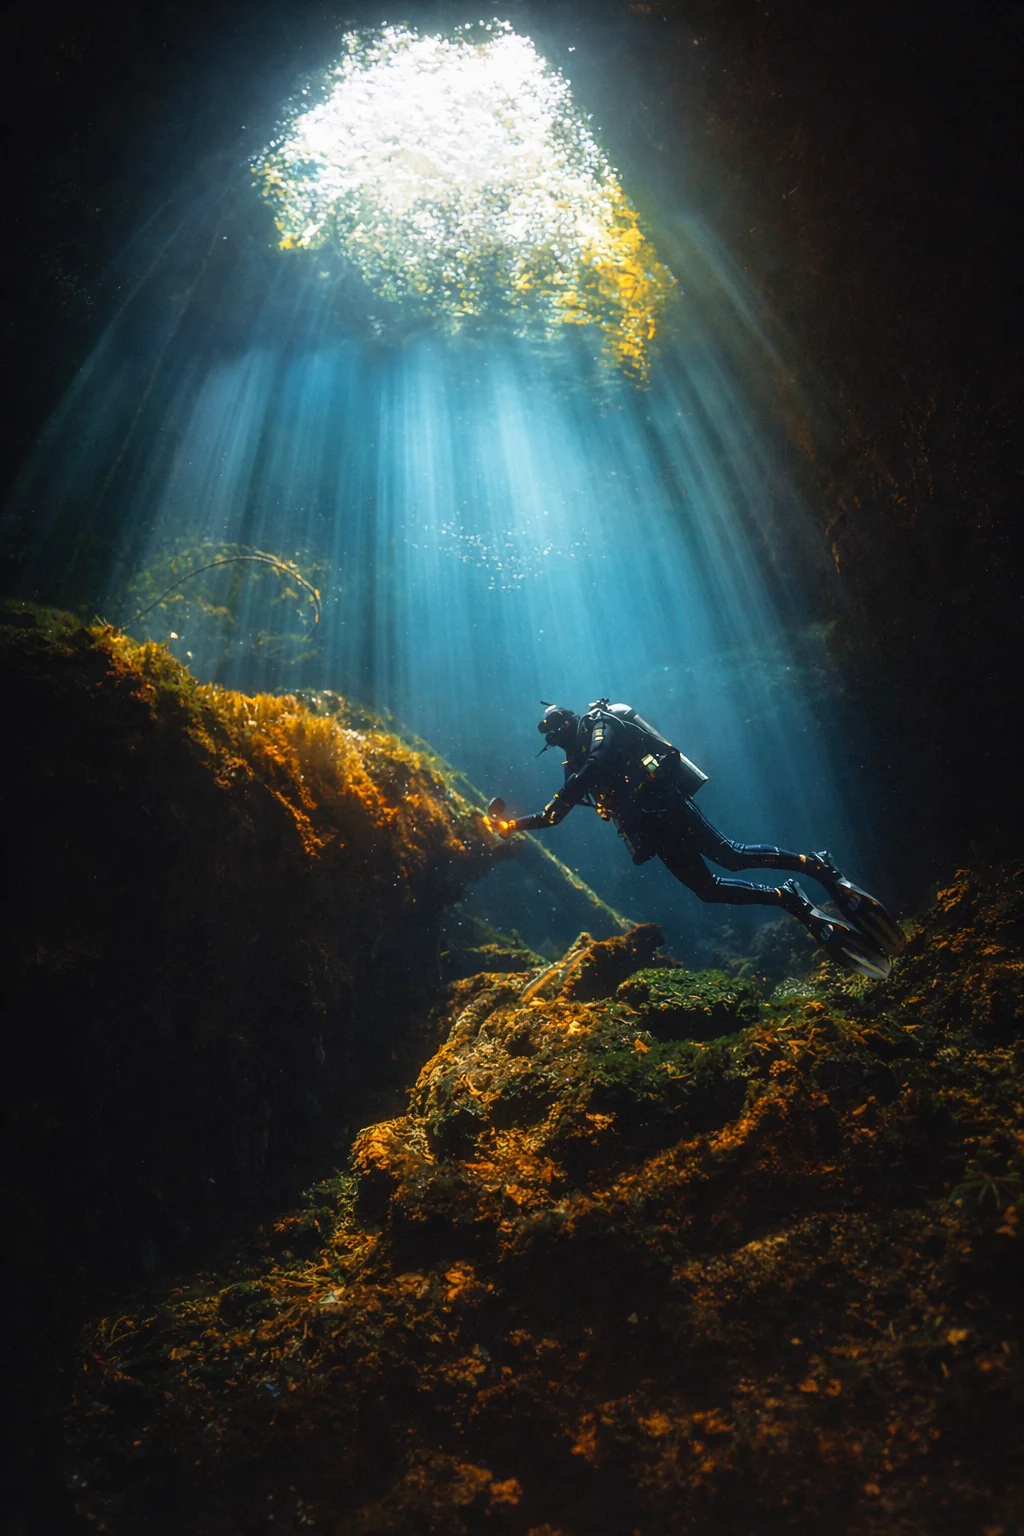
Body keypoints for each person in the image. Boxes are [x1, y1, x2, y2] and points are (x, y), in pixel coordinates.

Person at [487, 700, 904, 979]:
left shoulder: (599, 724)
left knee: (732, 856)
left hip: (666, 803)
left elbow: (598, 760)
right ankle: (789, 898)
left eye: (556, 731)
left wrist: (571, 788)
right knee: (708, 890)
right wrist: (512, 826)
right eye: (552, 738)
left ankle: (816, 865)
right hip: (648, 830)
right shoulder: (572, 766)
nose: (557, 740)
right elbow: (553, 815)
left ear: (567, 722)